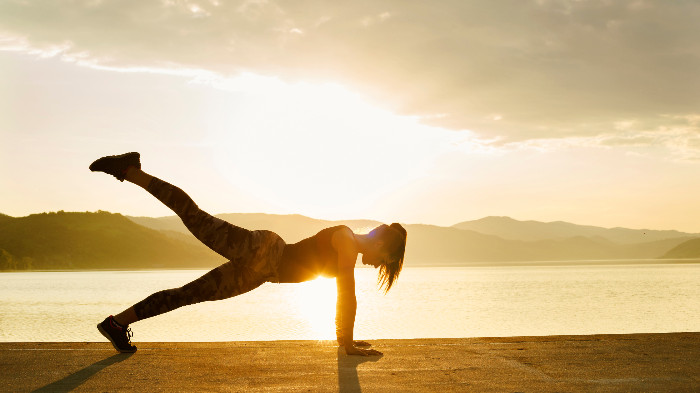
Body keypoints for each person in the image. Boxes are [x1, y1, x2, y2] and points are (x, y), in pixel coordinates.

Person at [90, 152, 407, 356]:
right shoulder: (347, 241)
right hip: (263, 251)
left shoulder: (348, 244)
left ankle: (116, 324)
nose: (379, 265)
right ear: (382, 246)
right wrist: (347, 344)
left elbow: (345, 295)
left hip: (263, 272)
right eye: (386, 261)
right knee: (193, 215)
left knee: (187, 295)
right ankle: (129, 169)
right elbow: (346, 293)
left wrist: (346, 342)